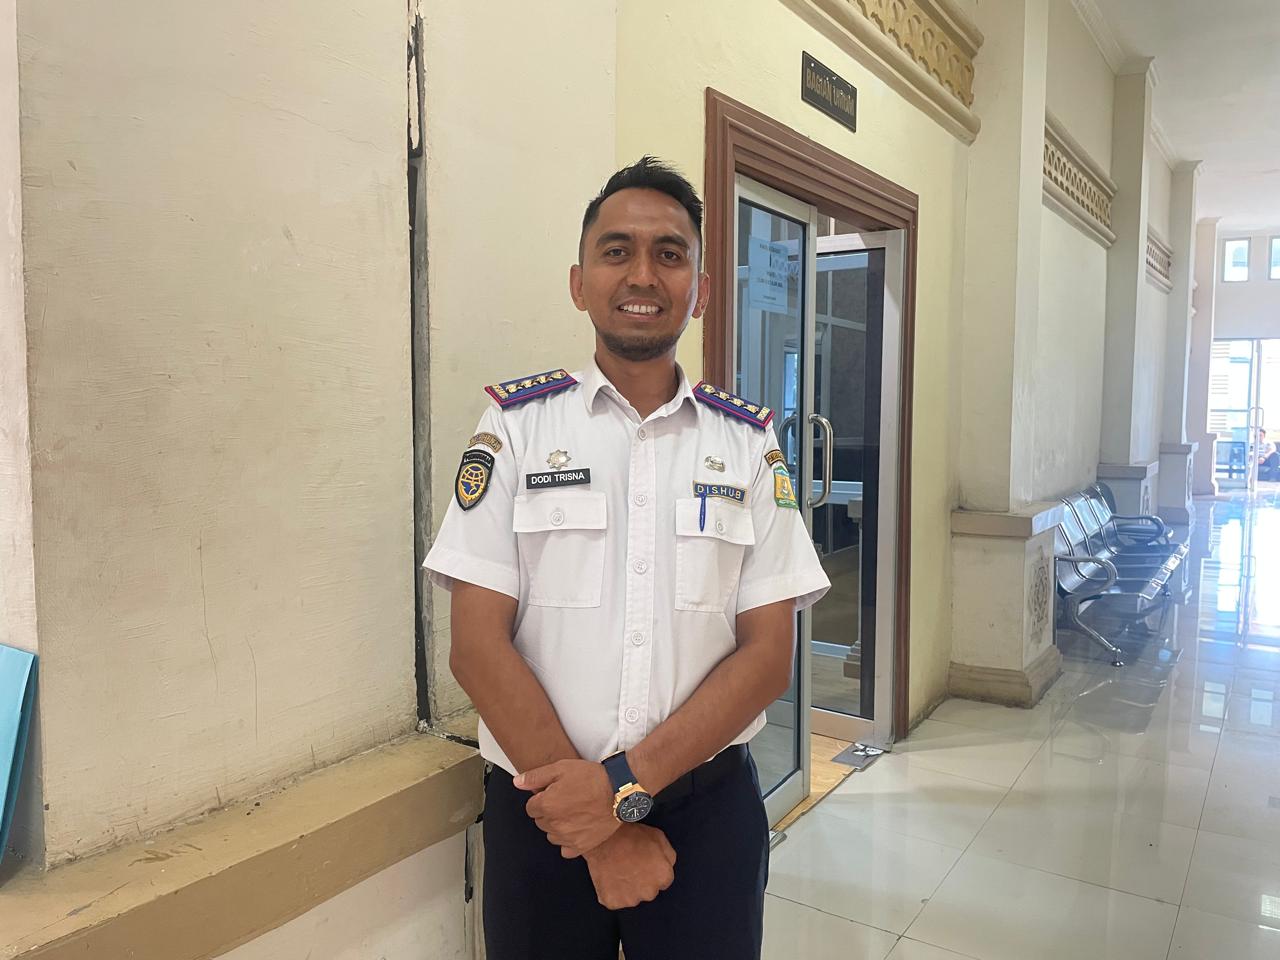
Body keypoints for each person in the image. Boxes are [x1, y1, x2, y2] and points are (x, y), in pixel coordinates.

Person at [422, 156, 830, 960]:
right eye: (617, 251)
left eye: (669, 254)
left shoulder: (747, 445)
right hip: (542, 812)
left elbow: (766, 658)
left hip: (704, 814)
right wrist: (604, 831)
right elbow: (475, 645)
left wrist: (619, 790)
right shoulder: (516, 430)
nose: (643, 274)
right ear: (580, 283)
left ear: (700, 291)